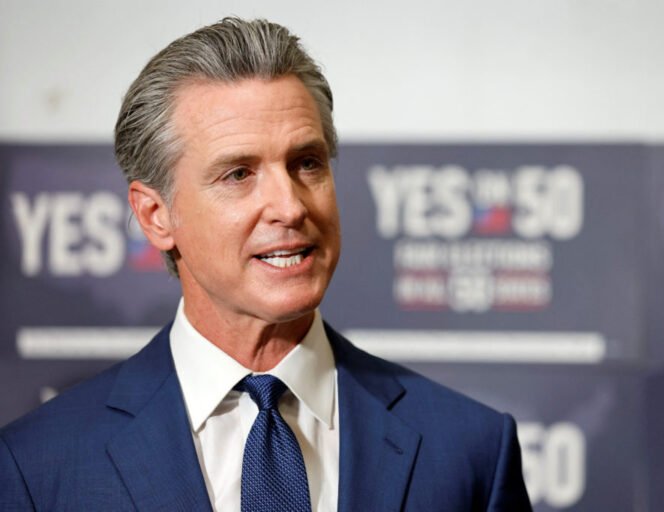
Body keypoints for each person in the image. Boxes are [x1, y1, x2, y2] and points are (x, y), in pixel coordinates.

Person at [0, 17, 531, 511]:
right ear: (156, 216)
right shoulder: (36, 467)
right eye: (238, 174)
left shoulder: (471, 451)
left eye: (307, 163)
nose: (291, 206)